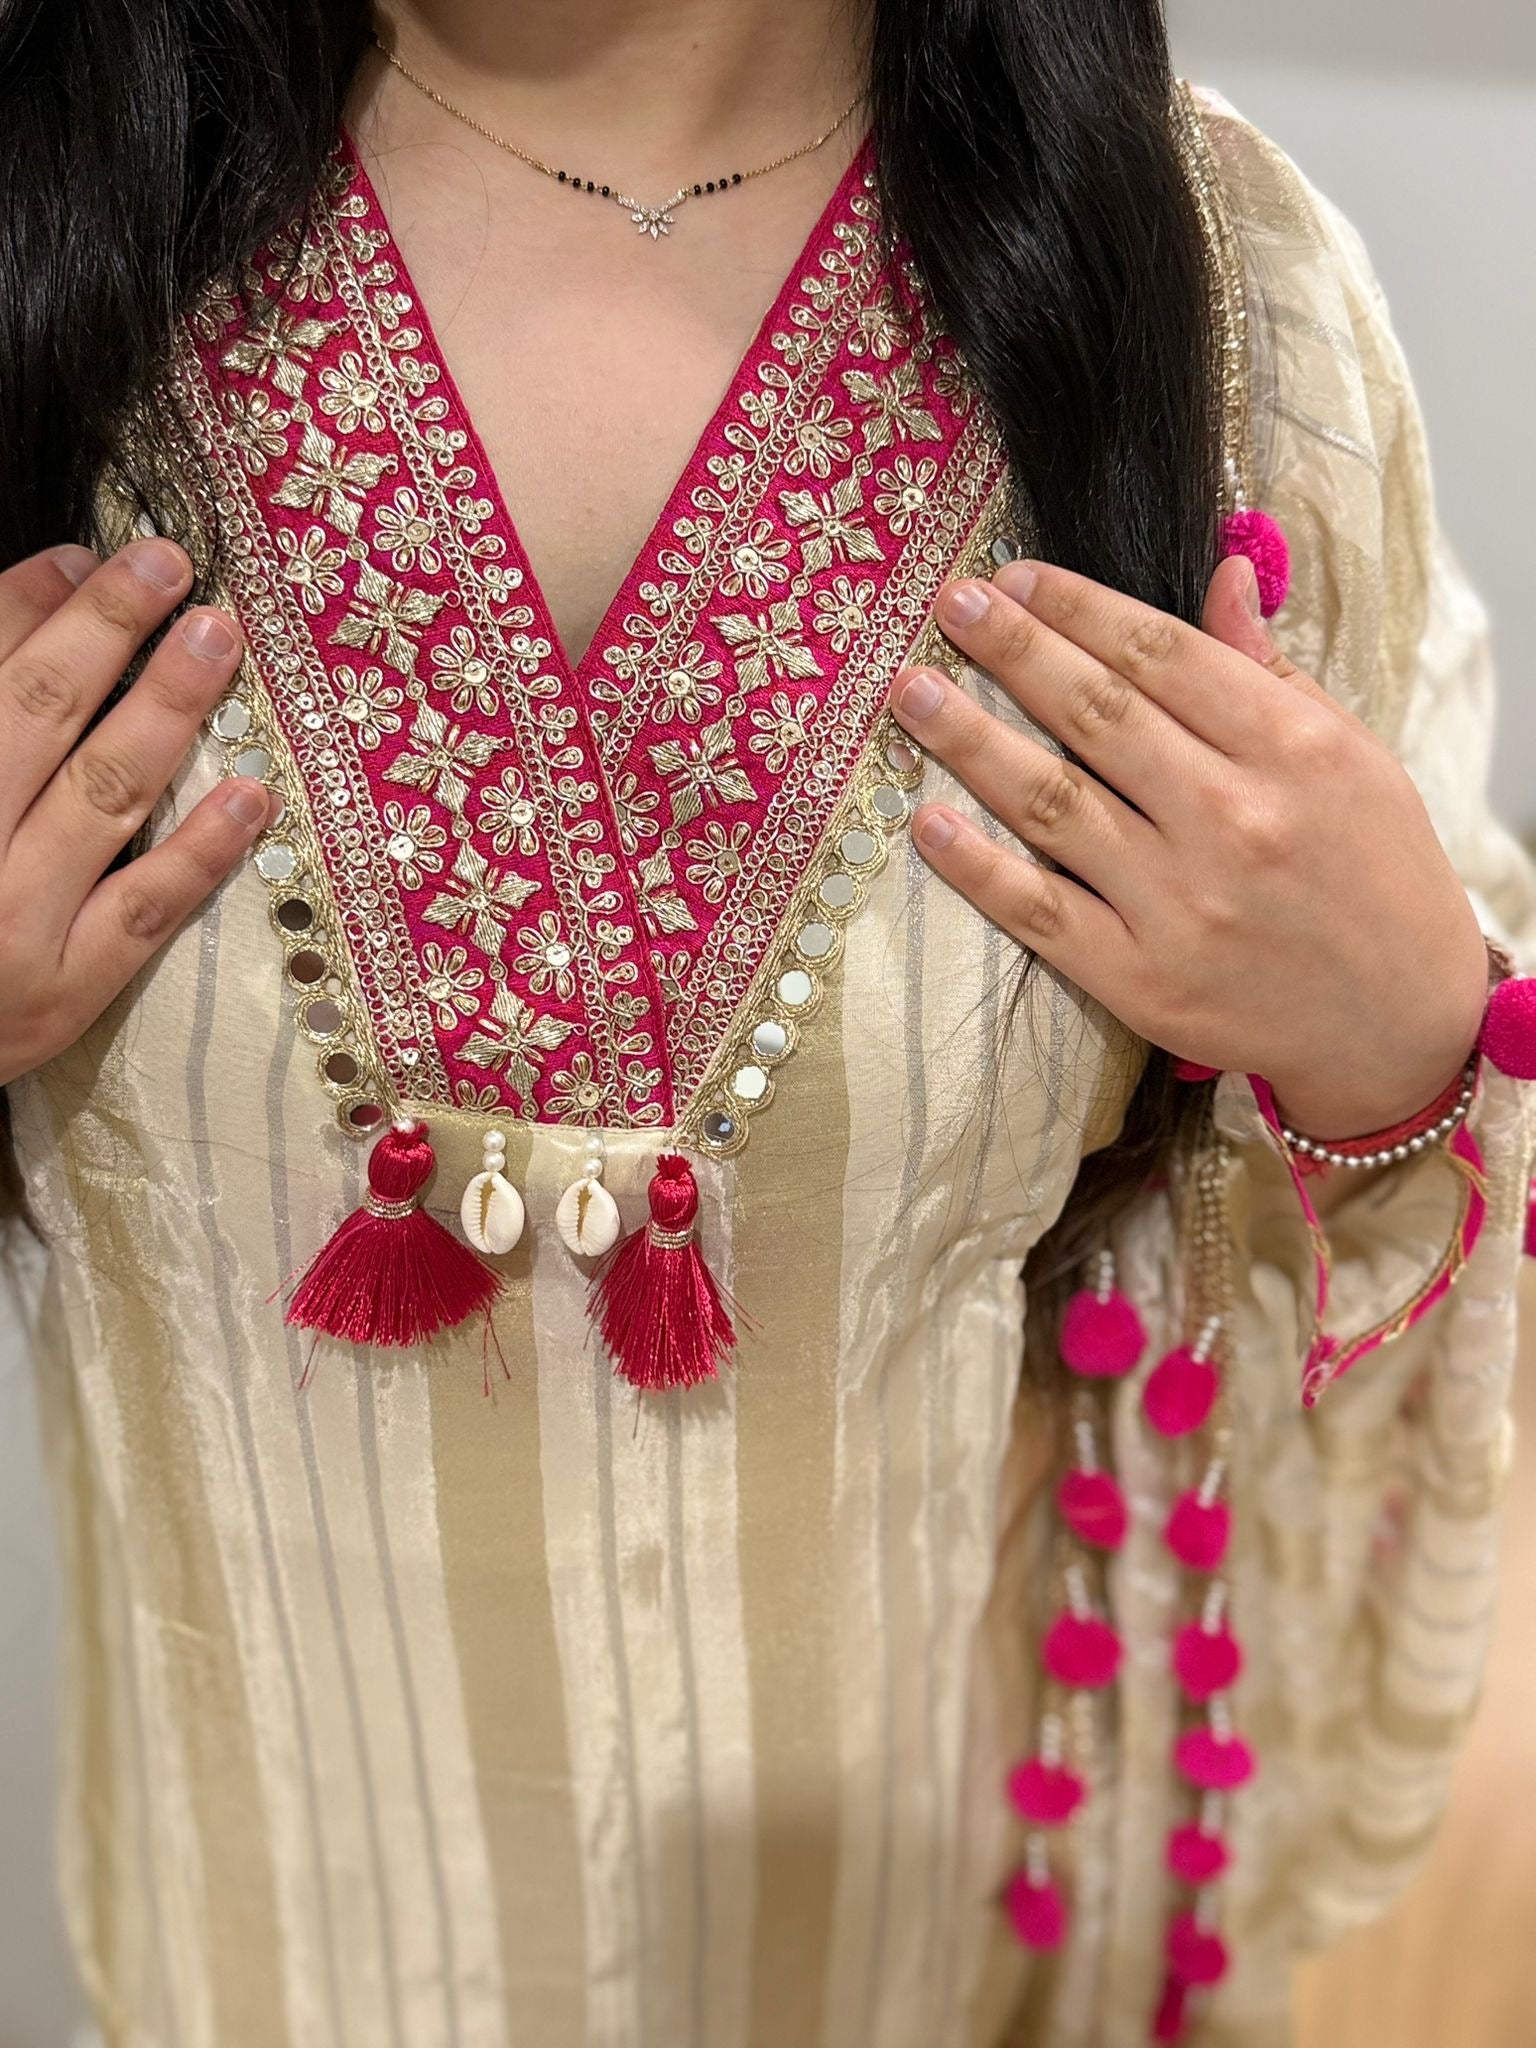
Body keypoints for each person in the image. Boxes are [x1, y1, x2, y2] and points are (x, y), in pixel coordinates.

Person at [1, 2, 1532, 2043]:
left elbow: (1417, 1087)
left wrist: (1405, 1039)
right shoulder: (52, 225)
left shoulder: (1220, 302)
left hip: (927, 1951)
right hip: (245, 1953)